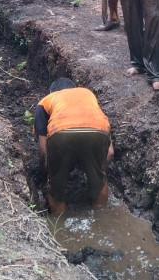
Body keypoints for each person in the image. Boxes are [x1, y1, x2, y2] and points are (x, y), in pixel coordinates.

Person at [33, 77, 114, 216]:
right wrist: (98, 170)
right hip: (98, 131)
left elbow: (43, 150)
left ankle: (59, 225)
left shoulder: (46, 101)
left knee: (56, 186)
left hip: (61, 132)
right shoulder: (88, 95)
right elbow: (110, 152)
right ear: (74, 88)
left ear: (52, 92)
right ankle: (102, 219)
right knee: (99, 181)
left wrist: (46, 173)